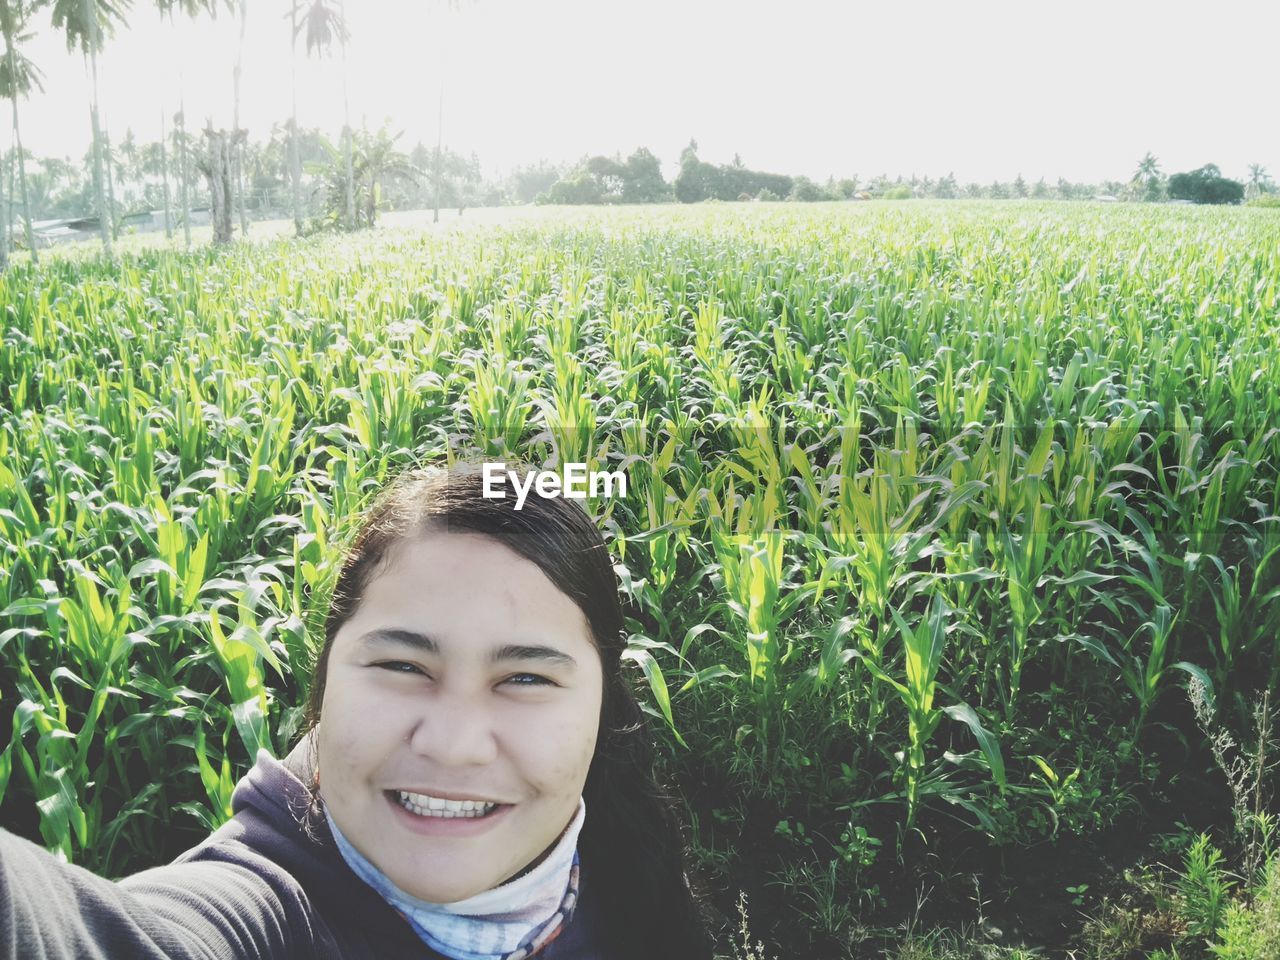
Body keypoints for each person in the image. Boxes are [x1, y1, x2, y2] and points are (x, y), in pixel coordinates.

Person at [0, 463, 713, 959]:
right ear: (325, 681)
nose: (455, 744)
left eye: (524, 677)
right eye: (403, 666)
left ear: (601, 704)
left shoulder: (622, 856)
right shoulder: (265, 913)